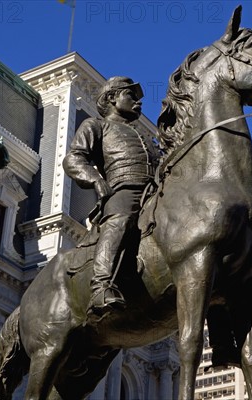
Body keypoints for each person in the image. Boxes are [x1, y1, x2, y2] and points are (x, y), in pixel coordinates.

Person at [63, 77, 159, 316]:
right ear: (111, 98)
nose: (138, 102)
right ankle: (101, 285)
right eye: (131, 96)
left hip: (154, 192)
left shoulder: (146, 138)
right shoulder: (96, 126)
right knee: (121, 218)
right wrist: (96, 180)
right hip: (123, 188)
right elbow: (73, 159)